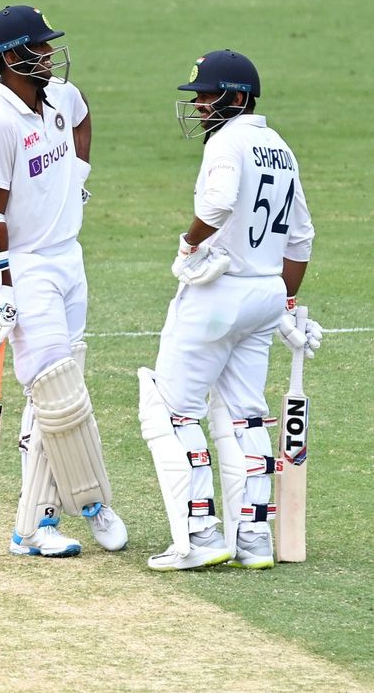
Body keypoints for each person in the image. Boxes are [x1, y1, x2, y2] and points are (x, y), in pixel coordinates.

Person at [138, 49, 322, 571]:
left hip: (219, 291)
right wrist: (285, 303)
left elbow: (216, 205)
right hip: (263, 294)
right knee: (245, 413)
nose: (198, 105)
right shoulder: (280, 148)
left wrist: (188, 244)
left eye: (206, 94)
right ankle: (255, 537)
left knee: (169, 410)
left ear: (236, 98)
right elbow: (301, 238)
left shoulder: (228, 141)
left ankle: (199, 534)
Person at [0, 4, 127, 558]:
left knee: (59, 393)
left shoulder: (61, 95)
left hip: (70, 258)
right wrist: (1, 291)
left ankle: (35, 526)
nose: (48, 55)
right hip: (29, 267)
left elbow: (83, 117)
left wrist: (78, 178)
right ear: (11, 58)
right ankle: (88, 504)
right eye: (37, 48)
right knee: (57, 393)